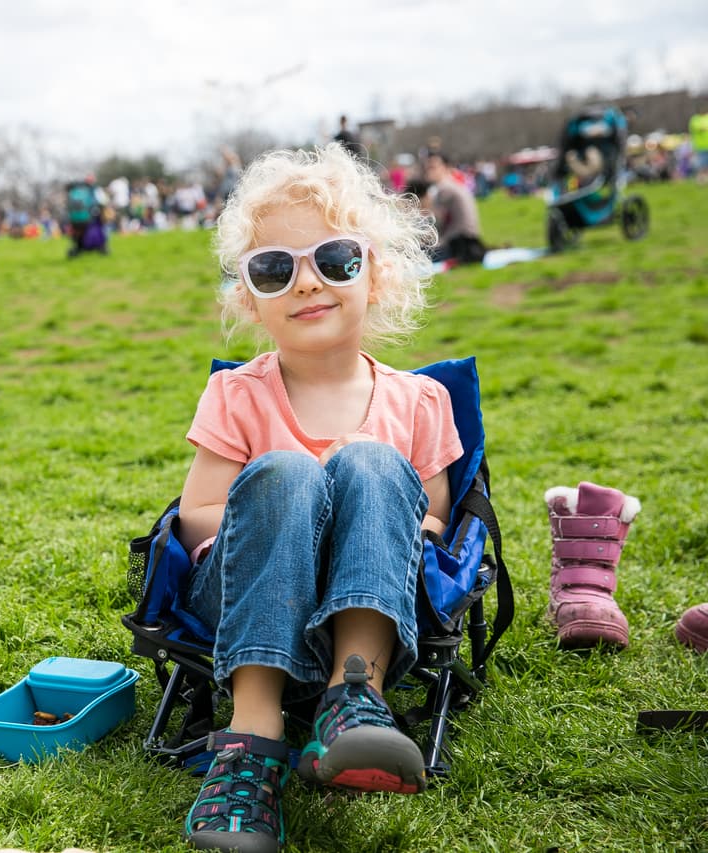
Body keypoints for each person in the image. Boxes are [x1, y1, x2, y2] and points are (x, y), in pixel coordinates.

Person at [177, 144, 458, 851]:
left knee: (371, 463)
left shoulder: (421, 402)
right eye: (275, 269)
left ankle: (354, 697)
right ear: (250, 298)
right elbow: (195, 518)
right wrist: (295, 500)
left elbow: (435, 519)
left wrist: (358, 508)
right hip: (248, 591)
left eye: (335, 260)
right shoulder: (236, 395)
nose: (307, 283)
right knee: (286, 474)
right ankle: (251, 734)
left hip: (374, 589)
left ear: (377, 275)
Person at [422, 152, 485, 265]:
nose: (428, 171)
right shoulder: (454, 185)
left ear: (446, 167)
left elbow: (436, 223)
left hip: (459, 245)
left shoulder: (445, 189)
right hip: (468, 241)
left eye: (433, 167)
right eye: (427, 168)